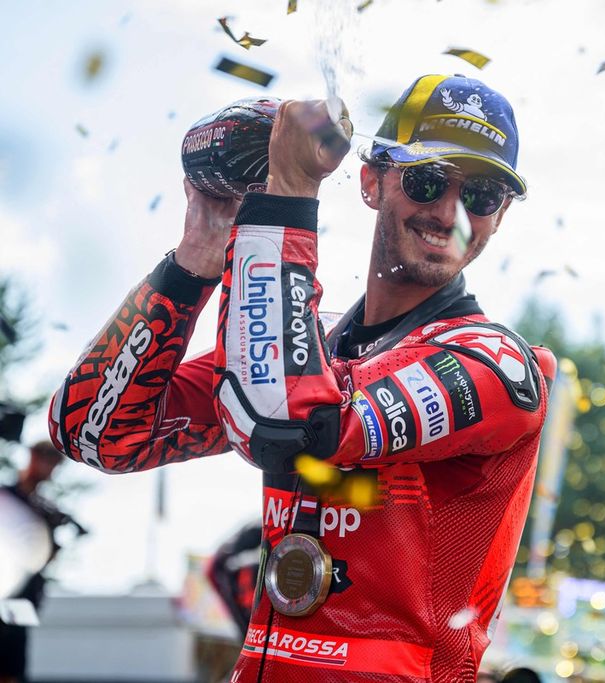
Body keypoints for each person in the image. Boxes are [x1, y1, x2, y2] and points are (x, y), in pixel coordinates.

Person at [48, 74, 555, 682]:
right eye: (426, 181)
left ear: (499, 218)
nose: (449, 214)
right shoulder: (314, 349)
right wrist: (197, 260)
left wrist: (285, 195)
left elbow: (285, 423)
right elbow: (92, 430)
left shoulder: (498, 364)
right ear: (371, 181)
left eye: (482, 196)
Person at [0, 441, 83, 683]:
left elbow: (44, 558)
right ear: (33, 457)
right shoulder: (8, 499)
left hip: (23, 600)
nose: (50, 469)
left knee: (13, 664)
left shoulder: (44, 510)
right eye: (48, 461)